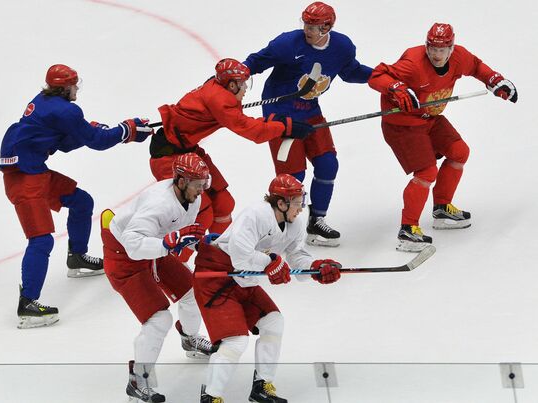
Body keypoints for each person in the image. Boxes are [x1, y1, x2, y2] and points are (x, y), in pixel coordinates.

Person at [0, 64, 153, 329]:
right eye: (74, 85)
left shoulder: (45, 102)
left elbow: (64, 142)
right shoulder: (65, 110)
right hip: (25, 181)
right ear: (65, 87)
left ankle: (77, 257)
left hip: (32, 171)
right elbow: (97, 141)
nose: (77, 89)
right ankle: (28, 304)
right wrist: (125, 130)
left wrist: (93, 131)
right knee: (41, 240)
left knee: (82, 201)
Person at [367, 23, 518, 252]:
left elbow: (477, 67)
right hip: (403, 124)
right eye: (432, 48)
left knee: (459, 152)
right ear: (426, 46)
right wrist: (396, 88)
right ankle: (408, 229)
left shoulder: (459, 57)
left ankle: (441, 208)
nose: (436, 54)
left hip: (430, 118)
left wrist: (495, 80)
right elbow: (377, 76)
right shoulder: (413, 62)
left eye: (442, 49)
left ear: (451, 47)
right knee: (427, 172)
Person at [193, 174, 342, 403]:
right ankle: (210, 397)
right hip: (217, 279)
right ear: (280, 203)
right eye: (296, 201)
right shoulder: (256, 214)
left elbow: (297, 258)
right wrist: (271, 262)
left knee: (274, 322)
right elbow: (240, 257)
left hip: (245, 281)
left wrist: (315, 268)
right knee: (235, 341)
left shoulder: (295, 224)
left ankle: (262, 386)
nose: (301, 207)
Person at [149, 58, 314, 253]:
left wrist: (274, 122)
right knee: (201, 214)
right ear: (232, 84)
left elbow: (241, 119)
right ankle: (174, 266)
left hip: (189, 152)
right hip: (169, 158)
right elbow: (251, 131)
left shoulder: (220, 89)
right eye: (242, 84)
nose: (245, 88)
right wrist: (284, 127)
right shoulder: (220, 100)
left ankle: (219, 255)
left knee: (224, 204)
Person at [243, 1, 373, 247]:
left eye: (314, 25)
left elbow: (351, 71)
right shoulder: (288, 44)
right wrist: (230, 79)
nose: (307, 29)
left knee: (327, 164)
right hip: (281, 118)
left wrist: (382, 76)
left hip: (311, 113)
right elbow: (255, 62)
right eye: (306, 23)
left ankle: (317, 222)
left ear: (328, 27)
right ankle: (277, 231)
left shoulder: (342, 47)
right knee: (292, 178)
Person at [101, 153, 216, 403]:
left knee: (192, 291)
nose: (201, 190)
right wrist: (168, 243)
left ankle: (189, 340)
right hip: (123, 255)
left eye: (204, 184)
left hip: (154, 246)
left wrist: (200, 243)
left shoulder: (191, 197)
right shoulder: (158, 203)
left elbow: (175, 234)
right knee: (159, 319)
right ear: (182, 181)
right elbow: (133, 246)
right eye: (198, 184)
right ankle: (138, 381)